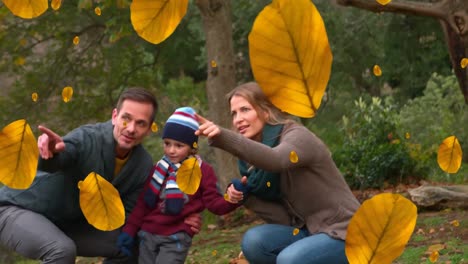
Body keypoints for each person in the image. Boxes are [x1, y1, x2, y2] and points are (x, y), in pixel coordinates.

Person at [0, 87, 201, 264]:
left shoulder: (142, 165)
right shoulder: (89, 138)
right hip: (19, 209)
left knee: (133, 241)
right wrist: (52, 152)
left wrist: (179, 217)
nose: (131, 129)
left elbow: (131, 217)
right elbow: (62, 156)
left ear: (148, 129)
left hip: (70, 224)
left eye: (140, 123)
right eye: (126, 118)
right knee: (61, 250)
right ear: (115, 116)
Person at [195, 82, 361, 264]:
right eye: (234, 113)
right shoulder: (253, 162)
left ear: (266, 111)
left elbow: (276, 159)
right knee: (254, 242)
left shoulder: (297, 136)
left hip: (344, 231)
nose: (237, 119)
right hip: (309, 230)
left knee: (289, 260)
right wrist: (245, 194)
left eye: (245, 109)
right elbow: (284, 219)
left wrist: (222, 137)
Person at [117, 106, 241, 264]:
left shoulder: (202, 170)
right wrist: (129, 231)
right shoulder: (158, 169)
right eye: (167, 143)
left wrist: (233, 198)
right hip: (147, 234)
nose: (171, 150)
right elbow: (143, 204)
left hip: (176, 236)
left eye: (179, 145)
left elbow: (214, 204)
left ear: (192, 146)